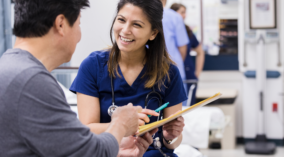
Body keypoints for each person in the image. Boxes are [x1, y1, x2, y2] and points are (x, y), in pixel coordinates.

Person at [0, 0, 152, 156]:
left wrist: (115, 150)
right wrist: (121, 123)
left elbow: (63, 149)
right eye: (78, 24)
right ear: (61, 24)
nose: (79, 37)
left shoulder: (10, 67)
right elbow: (89, 153)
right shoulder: (31, 81)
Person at [70, 0, 187, 156]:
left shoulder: (169, 73)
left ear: (153, 33)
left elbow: (172, 144)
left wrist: (170, 137)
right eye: (121, 20)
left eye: (137, 25)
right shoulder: (93, 66)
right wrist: (124, 125)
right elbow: (88, 130)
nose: (125, 30)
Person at [171, 3, 205, 106]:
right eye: (182, 12)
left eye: (185, 13)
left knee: (189, 107)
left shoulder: (187, 31)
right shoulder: (167, 29)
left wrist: (197, 73)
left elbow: (200, 52)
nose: (184, 15)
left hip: (189, 74)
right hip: (173, 74)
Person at [161, 0, 189, 85]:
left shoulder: (143, 15)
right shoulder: (175, 17)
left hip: (150, 71)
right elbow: (182, 49)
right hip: (173, 70)